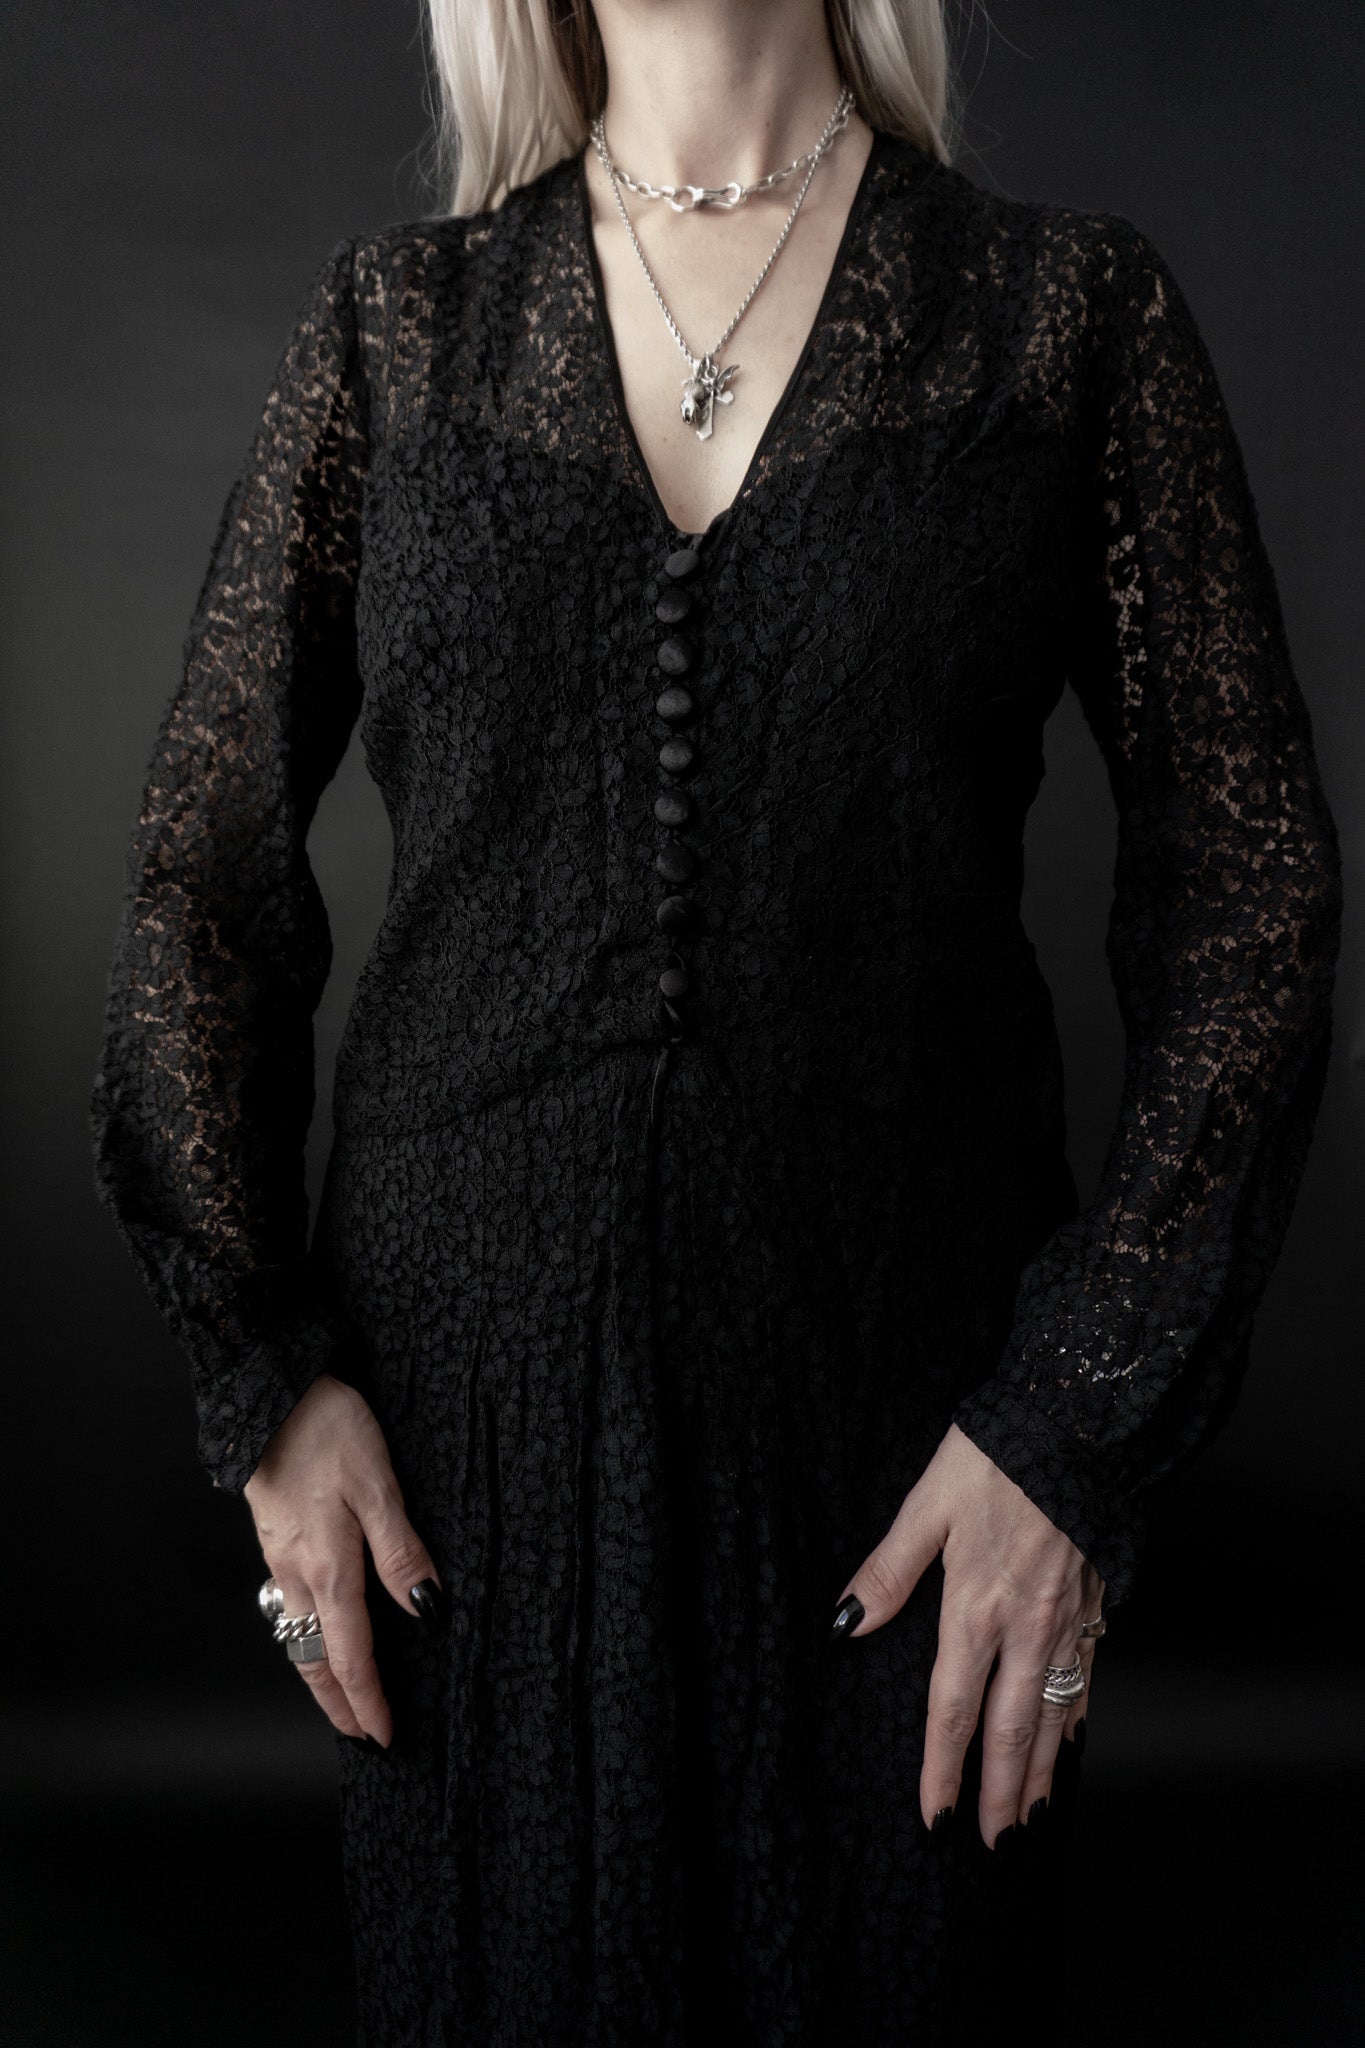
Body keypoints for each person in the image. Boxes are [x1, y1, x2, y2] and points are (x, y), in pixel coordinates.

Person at [88, 1, 1343, 2041]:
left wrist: (1068, 1434)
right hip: (465, 1469)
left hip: (913, 1457)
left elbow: (1247, 894)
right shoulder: (394, 331)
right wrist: (265, 1380)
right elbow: (196, 885)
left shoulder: (1059, 317)